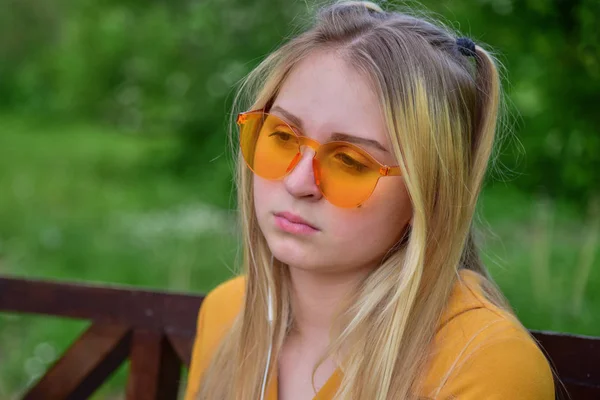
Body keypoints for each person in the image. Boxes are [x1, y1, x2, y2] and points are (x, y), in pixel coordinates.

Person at [184, 1, 558, 399]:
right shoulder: (228, 313)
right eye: (282, 137)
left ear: (429, 196)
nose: (297, 182)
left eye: (349, 160)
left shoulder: (484, 363)